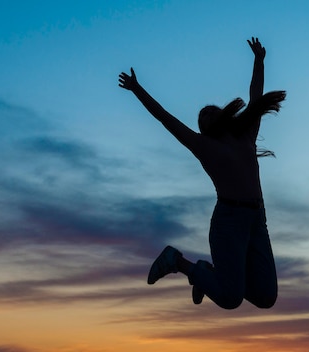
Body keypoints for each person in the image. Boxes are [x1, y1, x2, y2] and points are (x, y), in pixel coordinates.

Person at [118, 37, 285, 309]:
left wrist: (258, 60)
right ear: (203, 129)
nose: (205, 115)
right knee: (231, 298)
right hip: (228, 221)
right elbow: (165, 118)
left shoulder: (246, 136)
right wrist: (137, 89)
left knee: (266, 297)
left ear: (222, 115)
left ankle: (207, 273)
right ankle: (177, 261)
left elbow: (256, 96)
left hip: (257, 219)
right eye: (201, 118)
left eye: (209, 111)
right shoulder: (203, 146)